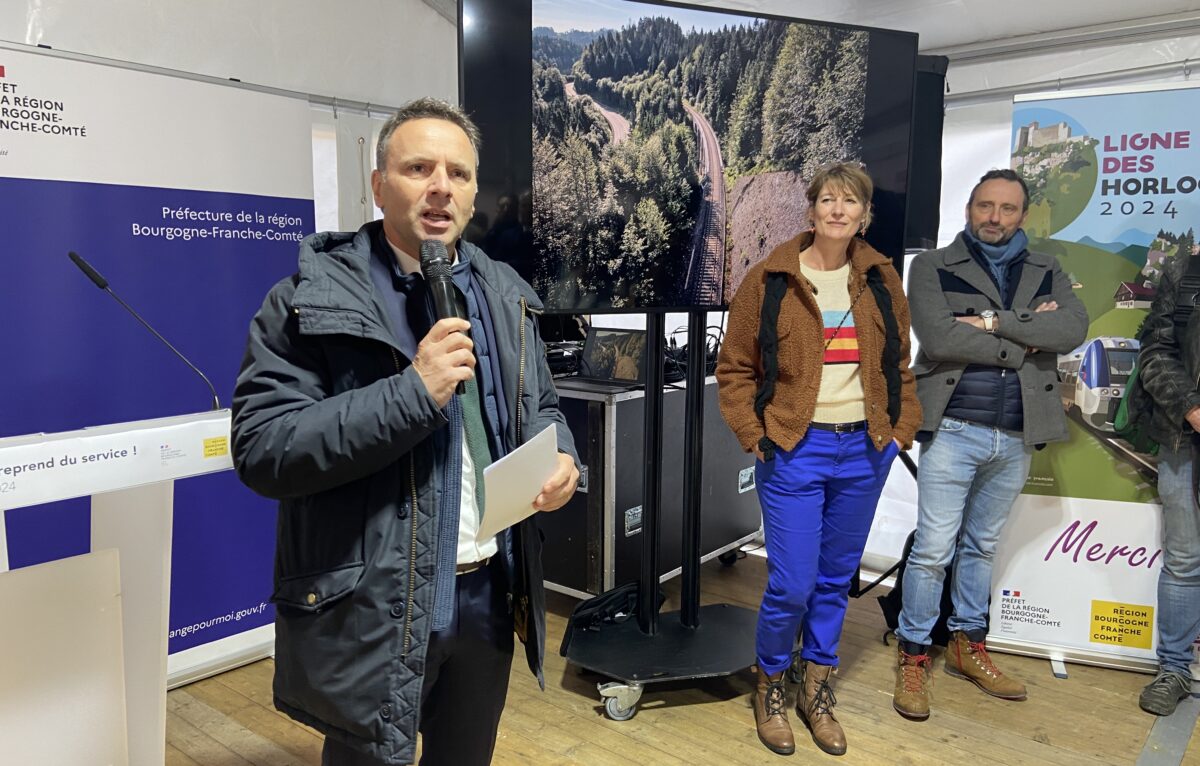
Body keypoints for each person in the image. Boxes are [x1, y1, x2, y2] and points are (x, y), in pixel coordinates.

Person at [230, 97, 580, 766]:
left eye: (458, 172)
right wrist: (412, 391)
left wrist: (561, 455)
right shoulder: (312, 296)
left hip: (486, 595)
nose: (440, 186)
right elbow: (262, 447)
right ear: (378, 185)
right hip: (372, 602)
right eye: (418, 167)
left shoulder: (503, 292)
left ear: (475, 192)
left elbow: (542, 408)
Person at [717, 162, 921, 756]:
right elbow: (733, 369)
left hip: (864, 449)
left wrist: (901, 429)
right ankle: (771, 685)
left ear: (864, 215)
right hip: (794, 450)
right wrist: (756, 435)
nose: (837, 210)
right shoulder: (770, 280)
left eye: (849, 201)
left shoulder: (882, 279)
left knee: (834, 580)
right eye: (827, 199)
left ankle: (817, 688)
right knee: (793, 581)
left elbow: (898, 367)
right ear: (811, 210)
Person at [892, 169, 1087, 720]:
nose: (994, 217)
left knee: (981, 546)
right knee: (933, 550)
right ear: (969, 209)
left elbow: (1071, 330)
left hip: (1020, 431)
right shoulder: (931, 266)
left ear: (1023, 215)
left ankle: (967, 646)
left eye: (1006, 208)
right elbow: (938, 336)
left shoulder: (1047, 268)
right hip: (953, 427)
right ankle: (913, 654)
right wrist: (1026, 339)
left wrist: (992, 321)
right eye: (984, 206)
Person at [1133, 245, 1200, 716]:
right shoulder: (1185, 267)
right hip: (1185, 436)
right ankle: (1174, 668)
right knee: (1185, 559)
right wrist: (1193, 410)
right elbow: (1156, 348)